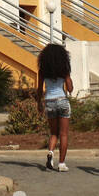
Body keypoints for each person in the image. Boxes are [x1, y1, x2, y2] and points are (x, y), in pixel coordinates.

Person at [36, 43, 73, 172]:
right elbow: (70, 88)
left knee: (53, 133)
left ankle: (51, 152)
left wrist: (38, 103)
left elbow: (40, 89)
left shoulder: (42, 71)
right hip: (62, 100)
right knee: (63, 134)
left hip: (49, 101)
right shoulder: (64, 69)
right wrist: (67, 78)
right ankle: (61, 163)